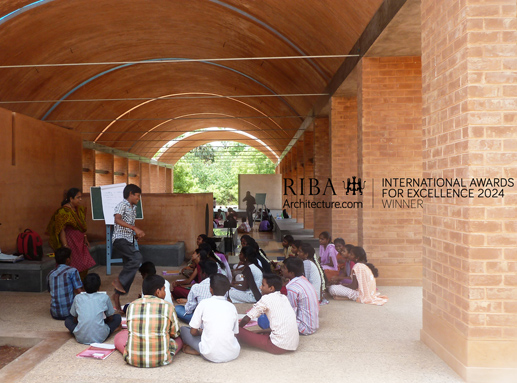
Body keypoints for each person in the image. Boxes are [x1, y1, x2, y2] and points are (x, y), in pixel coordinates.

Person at [114, 275, 183, 368]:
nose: (166, 293)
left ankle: (134, 353)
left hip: (132, 360)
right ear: (158, 292)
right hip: (162, 359)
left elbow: (131, 330)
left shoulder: (132, 305)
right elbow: (175, 333)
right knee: (179, 339)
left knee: (120, 336)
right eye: (164, 290)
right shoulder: (168, 306)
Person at [180, 274, 240, 362]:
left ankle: (199, 350)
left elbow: (193, 332)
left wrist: (201, 333)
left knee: (183, 329)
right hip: (232, 353)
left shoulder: (204, 303)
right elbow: (235, 334)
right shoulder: (232, 307)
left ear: (210, 289)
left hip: (210, 354)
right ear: (227, 290)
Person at [237, 274, 299, 354]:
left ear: (271, 288)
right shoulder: (284, 298)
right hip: (293, 344)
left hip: (277, 346)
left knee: (234, 329)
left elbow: (247, 318)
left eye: (263, 285)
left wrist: (239, 330)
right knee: (263, 332)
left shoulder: (266, 298)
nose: (260, 287)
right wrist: (259, 331)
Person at [46, 188, 96, 281]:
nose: (80, 199)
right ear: (71, 199)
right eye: (78, 197)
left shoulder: (79, 210)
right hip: (71, 241)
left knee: (85, 262)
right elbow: (62, 230)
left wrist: (85, 237)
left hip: (80, 241)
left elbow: (82, 226)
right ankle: (72, 283)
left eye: (80, 197)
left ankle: (81, 283)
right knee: (73, 263)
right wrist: (65, 245)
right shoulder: (63, 212)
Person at [111, 184, 145, 312]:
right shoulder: (122, 204)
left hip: (128, 240)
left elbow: (128, 224)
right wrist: (134, 228)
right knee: (137, 258)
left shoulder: (133, 208)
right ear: (130, 194)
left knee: (130, 269)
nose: (139, 198)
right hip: (120, 240)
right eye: (137, 196)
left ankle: (116, 297)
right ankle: (118, 281)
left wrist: (134, 235)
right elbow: (117, 220)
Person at [65, 273, 121, 344]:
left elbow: (75, 319)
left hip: (81, 337)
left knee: (68, 320)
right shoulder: (104, 297)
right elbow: (110, 318)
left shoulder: (78, 298)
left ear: (84, 287)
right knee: (117, 317)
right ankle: (107, 329)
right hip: (100, 336)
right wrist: (103, 321)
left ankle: (82, 332)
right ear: (99, 287)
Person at [283, 257, 319, 335]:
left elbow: (291, 312)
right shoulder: (303, 281)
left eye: (284, 268)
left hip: (305, 327)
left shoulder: (292, 288)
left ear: (291, 273)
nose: (282, 270)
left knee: (276, 316)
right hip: (313, 325)